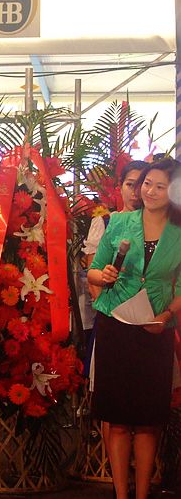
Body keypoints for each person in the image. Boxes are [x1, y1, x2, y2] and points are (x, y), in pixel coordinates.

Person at [88, 157, 181, 499]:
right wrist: (103, 276)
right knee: (117, 418)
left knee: (147, 421)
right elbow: (93, 271)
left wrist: (166, 315)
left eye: (160, 186)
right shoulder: (119, 222)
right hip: (116, 326)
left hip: (155, 329)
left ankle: (142, 493)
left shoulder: (179, 232)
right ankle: (121, 494)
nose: (150, 191)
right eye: (147, 184)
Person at [80, 160, 148, 451]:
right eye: (130, 184)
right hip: (112, 317)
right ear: (119, 187)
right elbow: (92, 272)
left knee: (146, 397)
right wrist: (105, 304)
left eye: (142, 185)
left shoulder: (159, 224)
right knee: (112, 396)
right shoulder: (107, 222)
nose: (136, 192)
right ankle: (115, 465)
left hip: (148, 319)